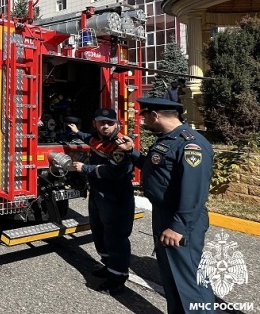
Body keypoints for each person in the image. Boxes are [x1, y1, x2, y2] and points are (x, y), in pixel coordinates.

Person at [117, 97, 215, 314]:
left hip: (180, 219)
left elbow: (194, 192)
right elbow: (157, 169)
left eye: (144, 116)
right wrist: (131, 152)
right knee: (172, 278)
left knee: (189, 281)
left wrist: (178, 226)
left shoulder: (191, 145)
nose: (143, 121)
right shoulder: (167, 139)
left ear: (155, 115)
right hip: (165, 215)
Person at [68, 108, 135, 294]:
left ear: (117, 124)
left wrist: (85, 168)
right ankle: (108, 265)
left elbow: (113, 172)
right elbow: (87, 138)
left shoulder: (120, 144)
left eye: (109, 123)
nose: (105, 126)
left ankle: (117, 278)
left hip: (116, 197)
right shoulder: (96, 138)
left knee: (115, 238)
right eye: (101, 122)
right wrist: (75, 131)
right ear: (95, 124)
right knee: (100, 233)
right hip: (98, 194)